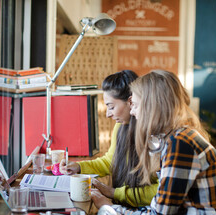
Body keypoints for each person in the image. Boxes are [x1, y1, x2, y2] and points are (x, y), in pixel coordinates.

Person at [92, 70, 216, 215]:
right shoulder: (177, 137)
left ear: (151, 107)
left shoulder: (180, 144)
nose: (132, 112)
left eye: (135, 105)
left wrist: (111, 208)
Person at [60, 70, 158, 207]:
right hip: (125, 207)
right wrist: (78, 167)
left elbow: (160, 192)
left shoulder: (155, 137)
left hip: (144, 211)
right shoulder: (120, 127)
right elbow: (110, 162)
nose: (107, 114)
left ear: (131, 101)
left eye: (111, 107)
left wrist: (113, 193)